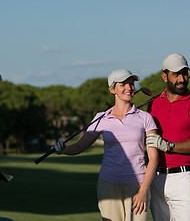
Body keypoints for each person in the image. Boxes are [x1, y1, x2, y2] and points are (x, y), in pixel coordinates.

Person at [54, 69, 159, 221]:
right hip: (108, 185)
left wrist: (143, 191)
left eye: (131, 84)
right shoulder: (100, 118)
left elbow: (154, 158)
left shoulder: (145, 118)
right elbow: (79, 147)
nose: (129, 88)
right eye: (123, 84)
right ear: (112, 89)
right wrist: (63, 150)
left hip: (138, 185)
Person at [146, 53, 190, 221]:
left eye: (185, 73)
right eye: (176, 74)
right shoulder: (153, 104)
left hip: (182, 180)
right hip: (156, 179)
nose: (182, 79)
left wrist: (169, 146)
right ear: (164, 76)